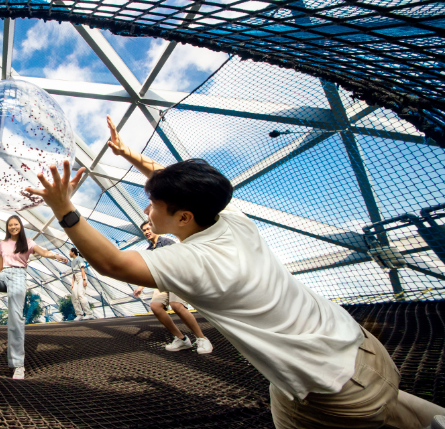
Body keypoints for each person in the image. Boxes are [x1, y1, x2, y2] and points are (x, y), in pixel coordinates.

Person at [22, 115, 445, 428]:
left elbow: (112, 263)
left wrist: (64, 208)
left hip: (331, 391)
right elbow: (176, 185)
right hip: (364, 350)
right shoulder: (229, 217)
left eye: (155, 205)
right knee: (388, 408)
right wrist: (129, 155)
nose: (148, 209)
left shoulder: (196, 261)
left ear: (184, 218)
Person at [0, 215, 68, 380]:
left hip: (18, 277)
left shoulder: (28, 242)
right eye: (10, 225)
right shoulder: (3, 244)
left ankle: (18, 365)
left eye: (16, 224)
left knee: (15, 319)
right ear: (7, 227)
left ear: (20, 226)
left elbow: (43, 252)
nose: (13, 227)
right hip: (3, 275)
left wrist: (55, 256)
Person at [132, 221, 211, 353]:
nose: (146, 232)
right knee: (155, 307)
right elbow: (151, 271)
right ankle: (181, 339)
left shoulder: (167, 243)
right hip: (163, 281)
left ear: (154, 228)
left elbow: (180, 259)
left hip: (176, 277)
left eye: (148, 229)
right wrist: (141, 286)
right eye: (144, 231)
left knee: (177, 306)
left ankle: (202, 338)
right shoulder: (148, 251)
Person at [69, 247, 94, 321]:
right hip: (76, 278)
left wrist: (84, 280)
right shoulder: (72, 261)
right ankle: (79, 314)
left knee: (80, 294)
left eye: (70, 252)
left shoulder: (79, 259)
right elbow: (73, 274)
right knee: (74, 296)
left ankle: (89, 313)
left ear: (73, 252)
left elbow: (82, 269)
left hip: (81, 277)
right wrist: (72, 284)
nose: (69, 253)